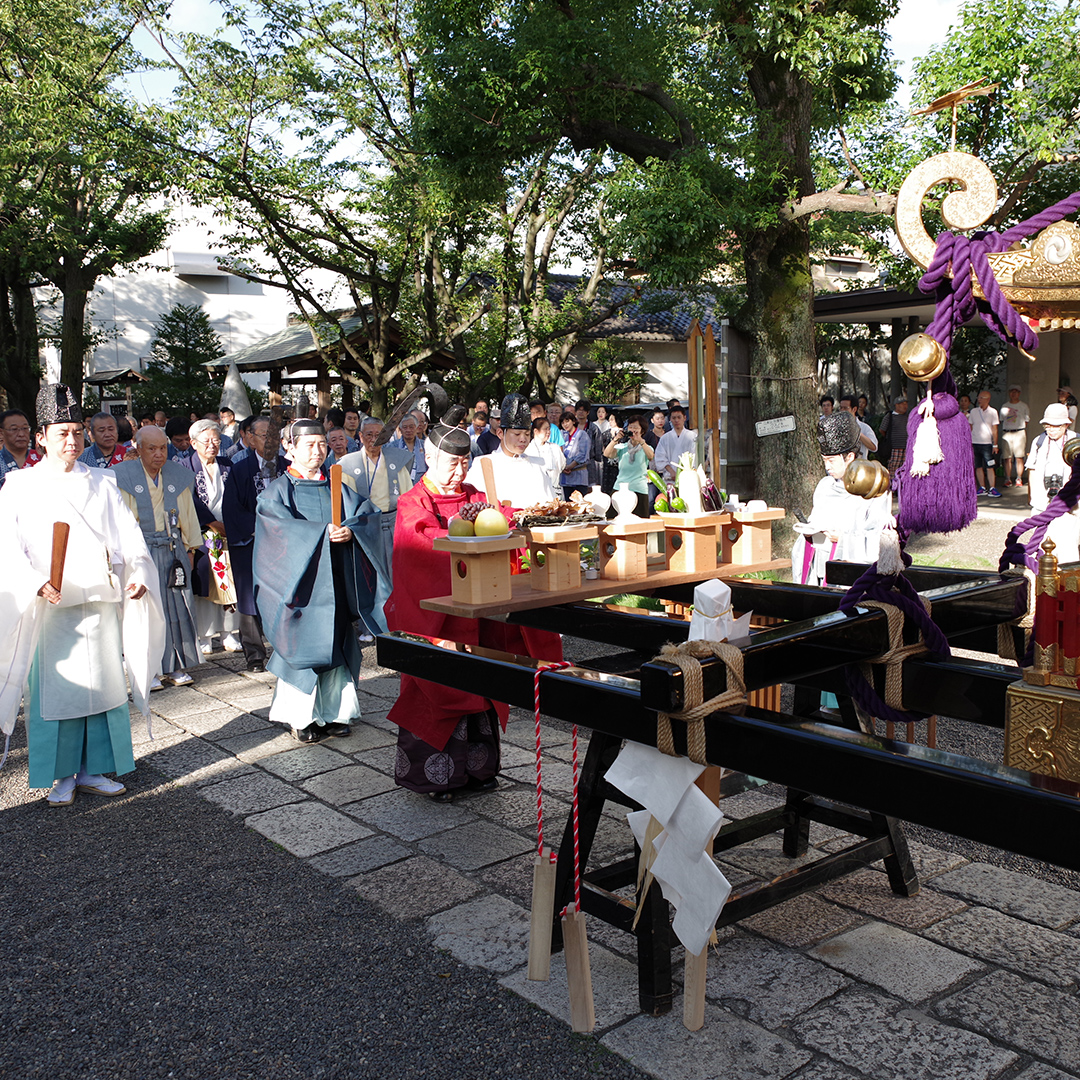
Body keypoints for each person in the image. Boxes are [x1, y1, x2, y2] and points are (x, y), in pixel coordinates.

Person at [385, 406, 562, 801]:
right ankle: (435, 778)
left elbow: (504, 522)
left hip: (478, 611)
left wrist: (523, 521)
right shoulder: (414, 502)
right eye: (451, 463)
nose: (458, 472)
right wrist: (463, 540)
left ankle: (481, 771)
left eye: (464, 463)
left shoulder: (477, 498)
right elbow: (417, 544)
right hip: (437, 615)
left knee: (483, 681)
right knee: (439, 685)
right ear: (429, 458)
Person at [0, 384, 162, 806]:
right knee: (58, 691)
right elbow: (5, 544)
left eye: (76, 432)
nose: (71, 441)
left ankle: (94, 769)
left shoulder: (103, 481)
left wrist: (139, 569)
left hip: (99, 598)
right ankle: (60, 776)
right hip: (51, 603)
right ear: (41, 437)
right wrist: (35, 582)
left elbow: (128, 534)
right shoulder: (19, 484)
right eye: (61, 433)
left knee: (103, 686)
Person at [254, 419, 388, 743]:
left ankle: (335, 713)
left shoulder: (337, 485)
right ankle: (300, 716)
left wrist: (350, 530)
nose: (317, 451)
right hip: (302, 585)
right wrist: (318, 535)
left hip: (337, 579)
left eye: (321, 444)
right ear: (290, 449)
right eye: (309, 445)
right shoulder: (277, 492)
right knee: (302, 647)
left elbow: (366, 514)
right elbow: (276, 531)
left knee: (338, 644)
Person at [112, 427, 203, 688]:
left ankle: (176, 666)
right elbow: (121, 522)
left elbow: (188, 516)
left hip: (173, 549)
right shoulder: (122, 477)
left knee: (177, 606)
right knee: (143, 610)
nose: (158, 454)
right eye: (151, 448)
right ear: (137, 449)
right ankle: (147, 670)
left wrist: (191, 549)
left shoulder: (177, 476)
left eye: (162, 447)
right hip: (139, 551)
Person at [791, 411, 891, 586]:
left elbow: (880, 542)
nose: (827, 467)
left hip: (853, 578)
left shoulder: (872, 491)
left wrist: (843, 539)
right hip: (821, 568)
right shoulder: (824, 486)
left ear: (850, 457)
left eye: (831, 460)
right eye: (824, 461)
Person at [223, 417, 288, 672]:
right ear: (250, 438)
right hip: (250, 540)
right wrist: (260, 526)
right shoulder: (239, 470)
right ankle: (254, 654)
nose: (269, 442)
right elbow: (231, 509)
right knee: (249, 597)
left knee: (284, 594)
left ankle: (284, 648)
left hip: (285, 542)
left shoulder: (289, 468)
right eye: (263, 436)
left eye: (274, 437)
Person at [337, 416, 415, 628]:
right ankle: (369, 623)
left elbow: (408, 495)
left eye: (379, 434)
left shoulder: (396, 460)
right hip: (364, 525)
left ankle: (398, 621)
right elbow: (346, 500)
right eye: (369, 434)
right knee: (369, 574)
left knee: (396, 572)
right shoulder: (348, 464)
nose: (374, 439)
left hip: (393, 519)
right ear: (360, 436)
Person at [184, 419, 242, 655]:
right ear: (193, 443)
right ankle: (204, 635)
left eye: (216, 440)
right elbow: (189, 499)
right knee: (206, 584)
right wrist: (211, 522)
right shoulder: (184, 466)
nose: (212, 445)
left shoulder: (227, 465)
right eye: (206, 441)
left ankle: (230, 633)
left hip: (228, 530)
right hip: (203, 532)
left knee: (230, 581)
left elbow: (237, 496)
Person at [466, 393, 556, 507]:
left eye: (527, 434)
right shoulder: (484, 464)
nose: (523, 439)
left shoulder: (538, 464)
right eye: (517, 434)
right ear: (500, 433)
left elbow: (551, 502)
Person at [1027, 403, 1080, 561]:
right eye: (1048, 425)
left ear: (1066, 424)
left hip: (1070, 505)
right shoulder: (1039, 441)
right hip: (1043, 503)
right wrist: (1032, 498)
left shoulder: (1076, 441)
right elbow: (1032, 469)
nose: (1051, 429)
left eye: (1056, 426)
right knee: (1043, 547)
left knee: (1068, 549)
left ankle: (1068, 584)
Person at [603, 414, 655, 516]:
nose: (633, 430)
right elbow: (607, 454)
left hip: (638, 488)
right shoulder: (622, 447)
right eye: (630, 427)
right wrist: (616, 439)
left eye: (636, 428)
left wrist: (640, 441)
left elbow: (650, 456)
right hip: (620, 487)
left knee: (640, 522)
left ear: (642, 431)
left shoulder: (646, 447)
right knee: (613, 519)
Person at [0, 408, 42, 487]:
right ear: (1, 433)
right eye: (14, 429)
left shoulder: (41, 458)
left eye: (25, 428)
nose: (21, 434)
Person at [999, 384, 1030, 489]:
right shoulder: (1004, 406)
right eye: (1012, 391)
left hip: (1019, 432)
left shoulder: (1023, 406)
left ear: (1019, 393)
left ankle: (1019, 478)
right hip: (1007, 432)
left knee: (1019, 457)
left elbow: (1026, 421)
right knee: (1007, 457)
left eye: (1016, 392)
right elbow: (1002, 419)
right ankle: (1007, 478)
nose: (1014, 394)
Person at [654, 404, 696, 482]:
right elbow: (660, 458)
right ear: (670, 419)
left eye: (679, 417)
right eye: (674, 418)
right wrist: (672, 472)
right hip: (669, 478)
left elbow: (695, 457)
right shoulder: (665, 438)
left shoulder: (692, 436)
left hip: (688, 478)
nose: (676, 420)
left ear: (684, 418)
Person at [523, 417, 566, 493]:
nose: (548, 432)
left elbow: (562, 464)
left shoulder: (555, 447)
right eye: (545, 429)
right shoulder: (527, 449)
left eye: (549, 429)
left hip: (555, 489)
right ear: (536, 431)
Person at [971, 390, 1000, 497]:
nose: (979, 400)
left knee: (990, 466)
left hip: (987, 443)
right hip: (975, 442)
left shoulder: (993, 412)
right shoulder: (974, 411)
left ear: (988, 399)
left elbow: (995, 429)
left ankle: (992, 487)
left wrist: (995, 444)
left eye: (981, 398)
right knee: (978, 466)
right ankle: (982, 487)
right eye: (978, 398)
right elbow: (970, 427)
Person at [389, 412, 428, 482]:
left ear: (416, 428)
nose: (408, 430)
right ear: (400, 429)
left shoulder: (425, 446)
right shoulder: (391, 447)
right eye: (405, 427)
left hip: (420, 485)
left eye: (411, 427)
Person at [878, 396, 910, 476]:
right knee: (893, 468)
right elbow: (882, 430)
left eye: (906, 404)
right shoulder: (890, 416)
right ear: (896, 405)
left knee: (905, 468)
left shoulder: (907, 417)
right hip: (894, 447)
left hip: (906, 447)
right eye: (902, 404)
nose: (905, 406)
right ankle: (892, 486)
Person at [838, 395, 877, 460]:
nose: (842, 411)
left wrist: (858, 433)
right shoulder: (836, 427)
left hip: (859, 466)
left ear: (854, 409)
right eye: (841, 408)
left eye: (845, 408)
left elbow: (874, 447)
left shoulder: (864, 427)